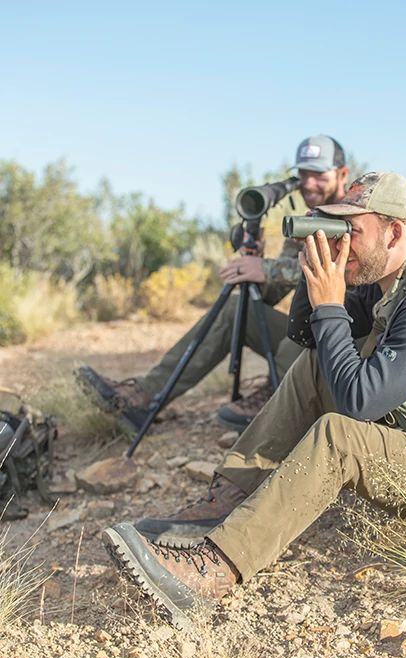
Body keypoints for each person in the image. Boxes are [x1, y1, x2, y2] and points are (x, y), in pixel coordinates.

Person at [102, 171, 406, 627]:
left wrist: (331, 304)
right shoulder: (392, 282)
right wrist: (319, 278)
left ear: (394, 231)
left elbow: (358, 405)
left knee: (338, 437)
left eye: (353, 229)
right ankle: (231, 496)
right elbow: (306, 338)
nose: (343, 238)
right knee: (314, 367)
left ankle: (212, 571)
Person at [76, 135, 350, 434]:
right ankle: (142, 397)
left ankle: (277, 398)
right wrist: (256, 262)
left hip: (344, 345)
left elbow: (350, 278)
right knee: (235, 311)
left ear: (342, 174)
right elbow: (270, 296)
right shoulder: (304, 224)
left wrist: (268, 269)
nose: (308, 184)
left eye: (318, 175)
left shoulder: (357, 215)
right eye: (303, 174)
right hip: (303, 337)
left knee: (306, 328)